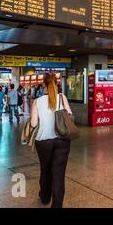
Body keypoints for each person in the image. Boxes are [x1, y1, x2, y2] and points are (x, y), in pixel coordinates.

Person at [30, 74, 72, 208]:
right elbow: (70, 116)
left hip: (43, 141)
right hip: (62, 140)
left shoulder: (37, 101)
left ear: (44, 85)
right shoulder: (62, 97)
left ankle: (44, 197)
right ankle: (57, 205)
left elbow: (33, 123)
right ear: (56, 83)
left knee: (45, 169)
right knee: (59, 173)